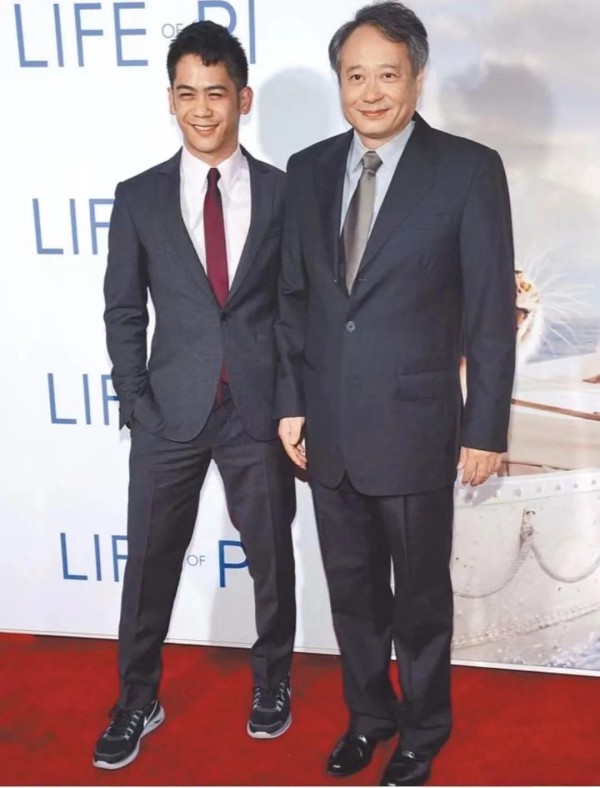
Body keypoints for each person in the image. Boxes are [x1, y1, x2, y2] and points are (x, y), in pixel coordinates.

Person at [275, 2, 515, 785]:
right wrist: (291, 401)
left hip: (416, 428)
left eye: (387, 74)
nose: (370, 92)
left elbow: (490, 315)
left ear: (416, 76)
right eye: (355, 76)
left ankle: (424, 729)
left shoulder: (468, 170)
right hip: (328, 430)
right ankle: (369, 717)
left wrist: (486, 430)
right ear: (340, 83)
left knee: (419, 603)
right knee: (352, 598)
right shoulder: (308, 170)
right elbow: (294, 299)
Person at [95, 20, 296, 770]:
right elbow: (123, 308)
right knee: (149, 565)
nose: (202, 109)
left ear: (243, 98)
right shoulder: (139, 196)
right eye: (187, 94)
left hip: (257, 410)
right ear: (171, 100)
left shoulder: (283, 193)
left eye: (216, 92)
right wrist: (135, 400)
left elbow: (297, 306)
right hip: (168, 413)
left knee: (271, 557)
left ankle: (272, 681)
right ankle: (136, 698)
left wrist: (292, 400)